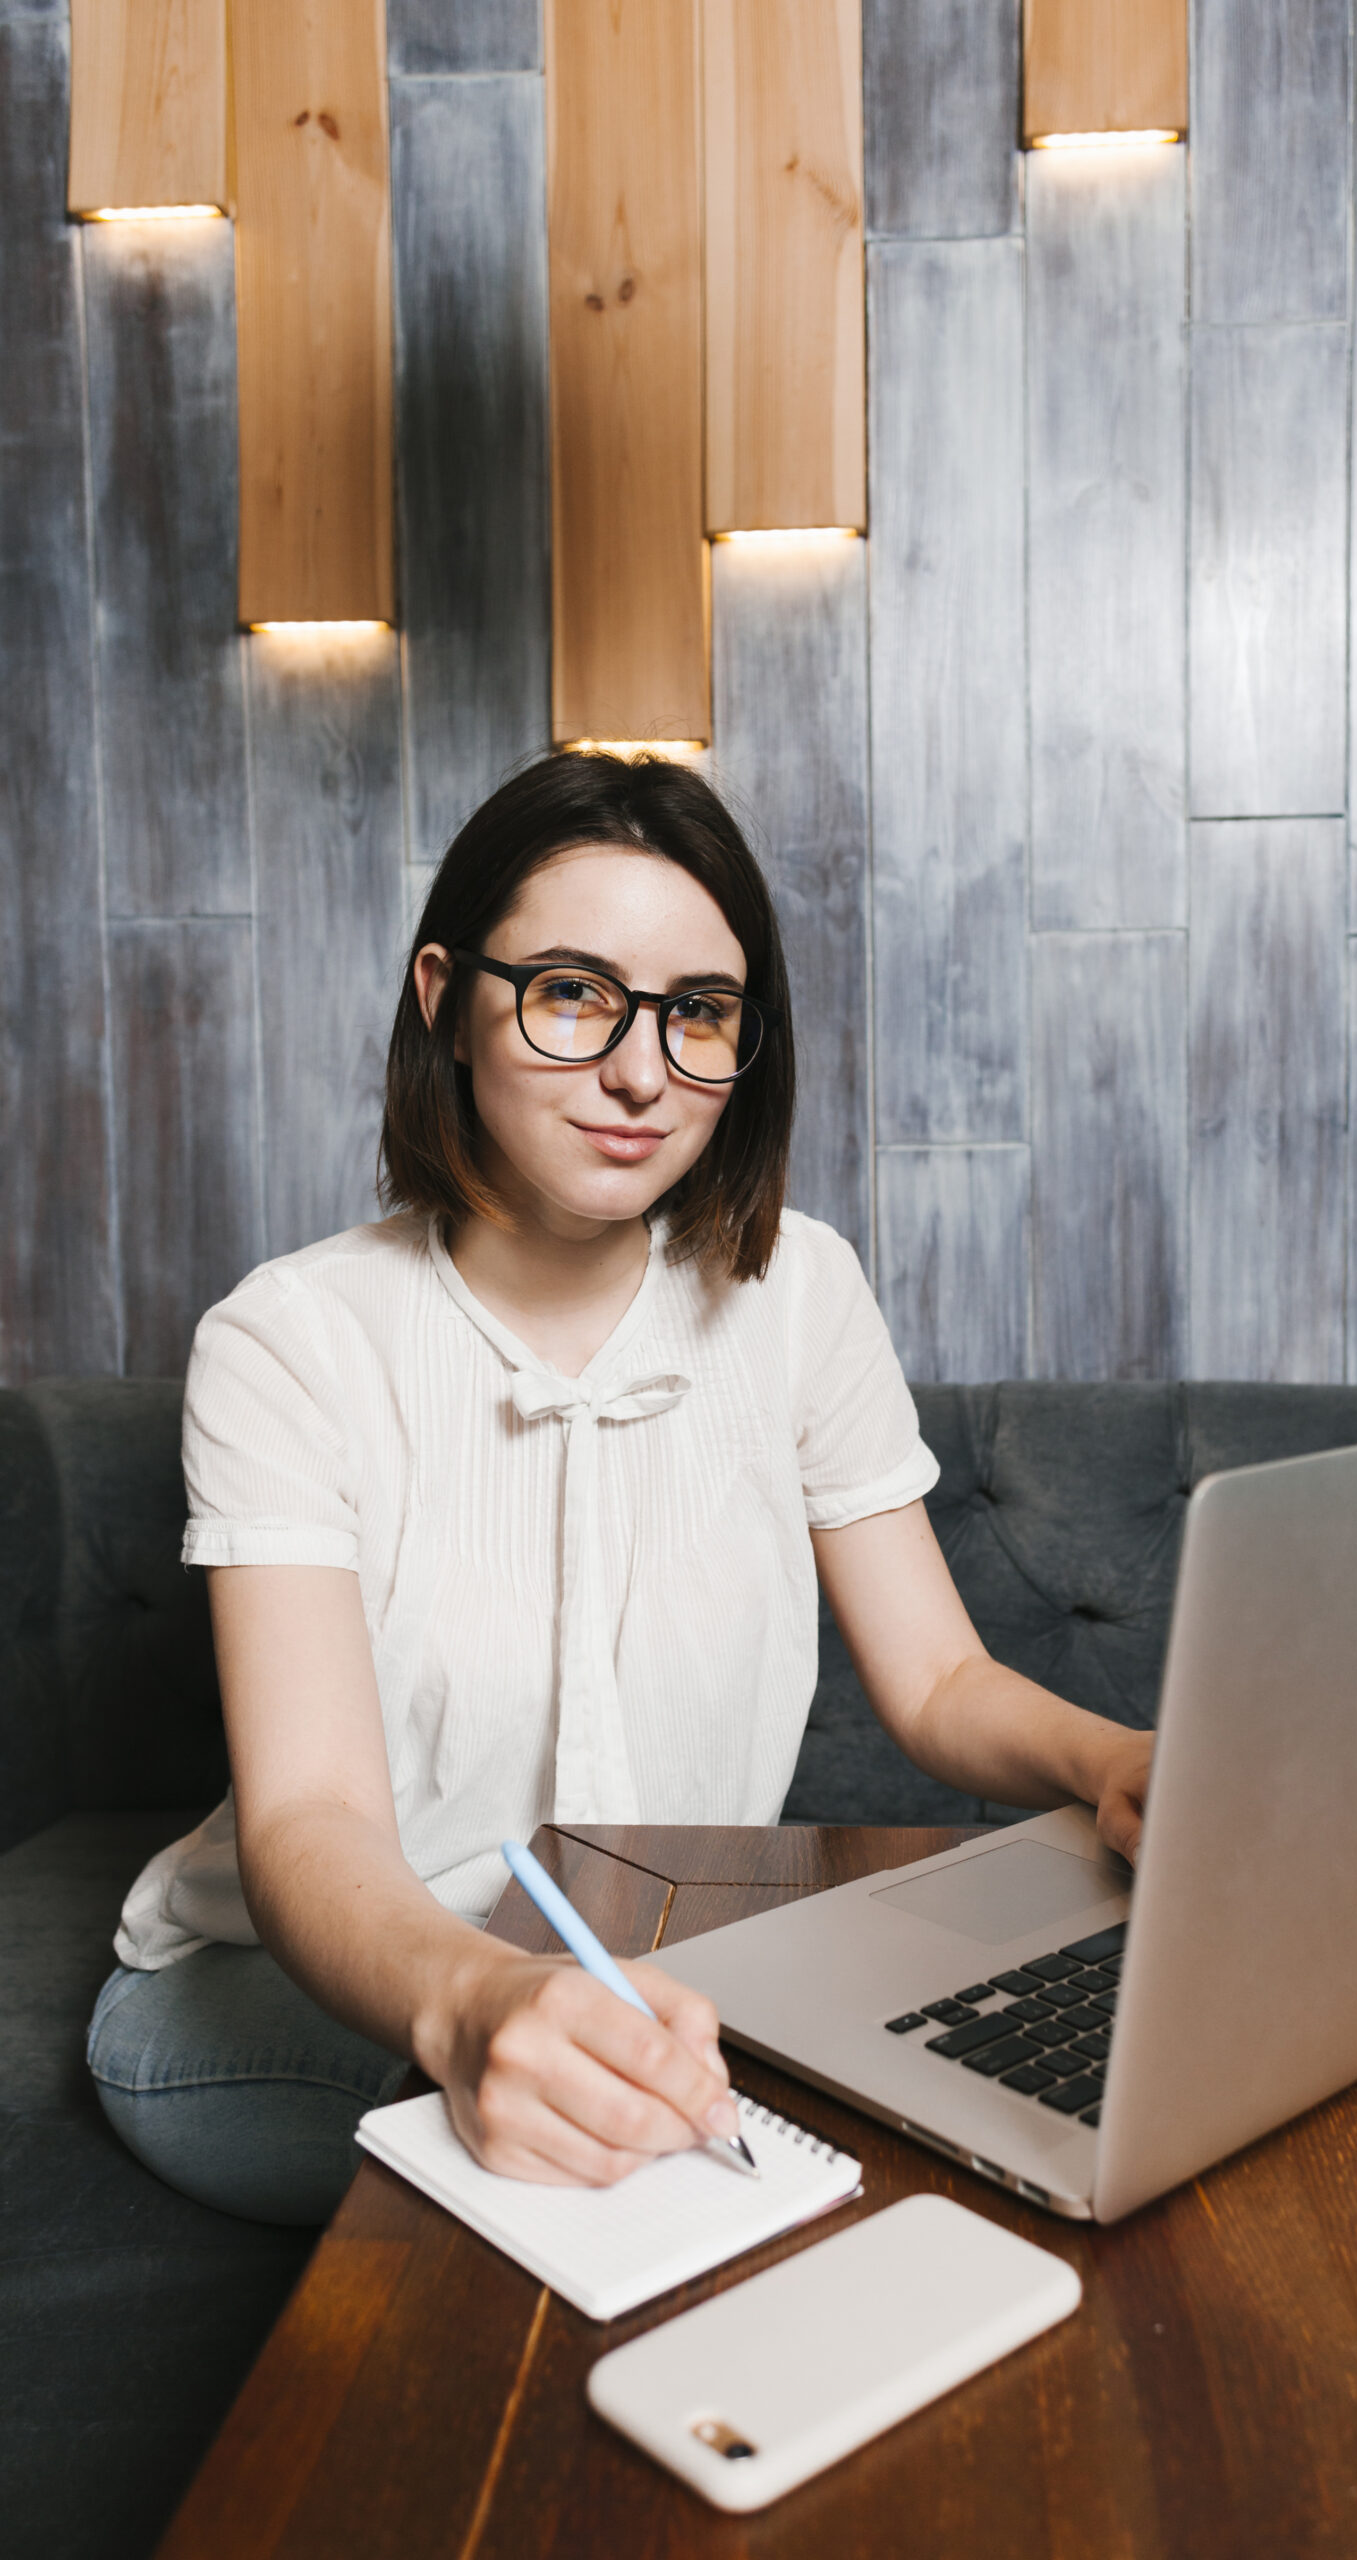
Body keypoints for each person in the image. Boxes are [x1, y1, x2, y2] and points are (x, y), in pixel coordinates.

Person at [87, 752, 1153, 2225]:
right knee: (618, 2154)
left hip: (651, 1963)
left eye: (699, 1014)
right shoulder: (290, 1339)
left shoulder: (800, 1293)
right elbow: (312, 1819)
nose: (644, 1073)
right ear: (443, 998)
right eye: (575, 992)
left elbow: (943, 1680)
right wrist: (477, 2007)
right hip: (309, 1990)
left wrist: (1123, 1763)